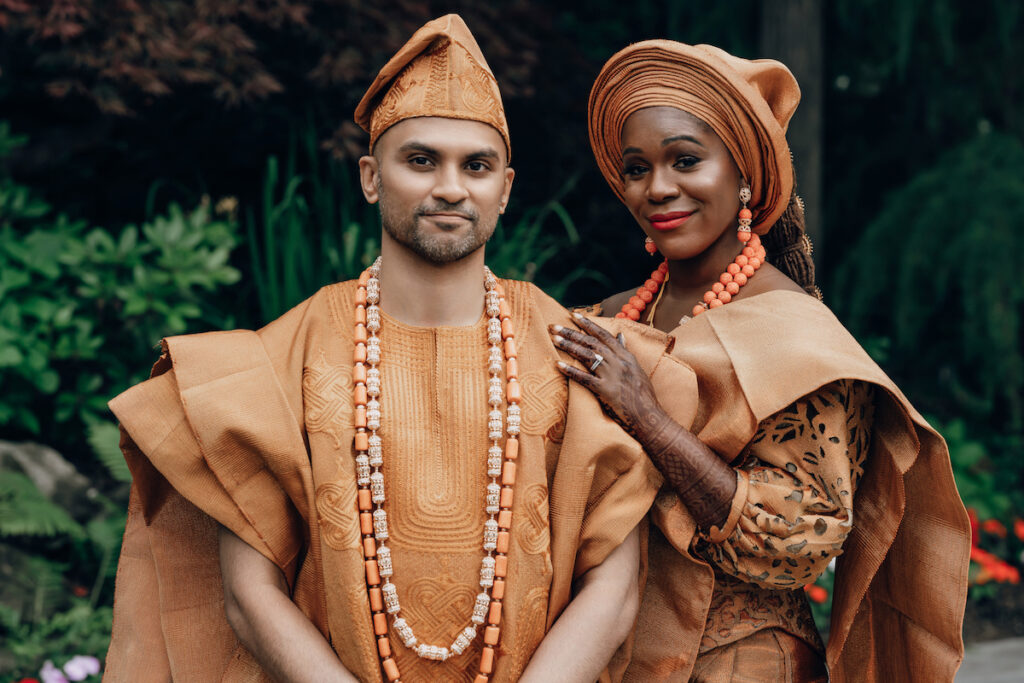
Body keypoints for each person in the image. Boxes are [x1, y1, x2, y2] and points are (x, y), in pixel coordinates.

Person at [102, 16, 700, 683]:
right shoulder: (282, 357)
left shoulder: (574, 350)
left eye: (475, 165)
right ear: (370, 176)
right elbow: (249, 594)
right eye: (421, 160)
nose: (449, 186)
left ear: (504, 188)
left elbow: (614, 589)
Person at [549, 40, 970, 682]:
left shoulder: (799, 338)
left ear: (742, 171)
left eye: (685, 160)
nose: (658, 188)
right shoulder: (613, 318)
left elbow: (800, 541)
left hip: (740, 665)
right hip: (613, 660)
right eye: (636, 169)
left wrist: (648, 416)